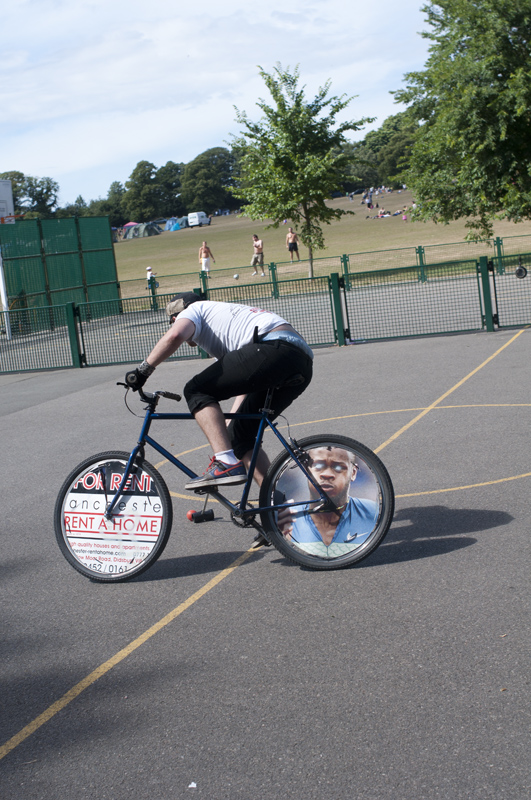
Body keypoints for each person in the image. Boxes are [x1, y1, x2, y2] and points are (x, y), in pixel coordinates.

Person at [124, 293, 313, 497]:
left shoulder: (193, 311)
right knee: (239, 437)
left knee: (195, 390)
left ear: (176, 317)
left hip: (274, 348)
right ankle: (279, 504)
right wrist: (226, 433)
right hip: (299, 360)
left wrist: (142, 371)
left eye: (173, 321)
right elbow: (243, 385)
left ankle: (225, 463)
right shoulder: (223, 321)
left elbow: (175, 335)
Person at [278, 446, 378, 556]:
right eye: (318, 466)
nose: (327, 474)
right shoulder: (288, 518)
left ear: (353, 473)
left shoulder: (371, 511)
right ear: (305, 470)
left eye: (338, 467)